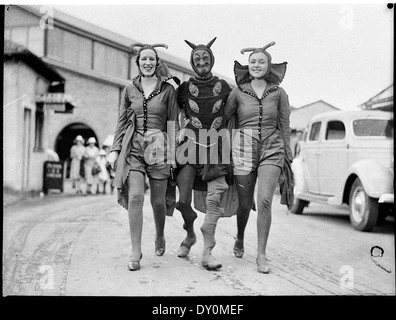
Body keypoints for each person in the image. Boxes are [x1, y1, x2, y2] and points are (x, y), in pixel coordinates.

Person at [108, 43, 180, 271]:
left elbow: (173, 123)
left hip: (159, 147)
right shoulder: (129, 89)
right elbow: (121, 121)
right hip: (135, 148)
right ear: (138, 63)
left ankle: (160, 235)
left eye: (151, 59)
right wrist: (115, 150)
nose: (147, 63)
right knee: (136, 197)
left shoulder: (168, 90)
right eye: (143, 59)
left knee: (158, 201)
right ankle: (136, 250)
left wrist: (173, 154)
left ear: (157, 63)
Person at [223, 42, 293, 274]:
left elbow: (284, 124)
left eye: (261, 61)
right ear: (248, 65)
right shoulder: (238, 91)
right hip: (243, 148)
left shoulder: (280, 93)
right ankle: (240, 237)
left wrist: (288, 153)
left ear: (269, 65)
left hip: (272, 148)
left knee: (264, 201)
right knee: (244, 203)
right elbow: (224, 119)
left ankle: (261, 255)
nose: (256, 65)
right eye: (253, 62)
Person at [175, 37, 232, 270]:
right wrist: (175, 133)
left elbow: (235, 111)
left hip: (217, 145)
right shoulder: (184, 89)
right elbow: (172, 112)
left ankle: (207, 252)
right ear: (192, 62)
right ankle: (189, 234)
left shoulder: (224, 87)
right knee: (182, 202)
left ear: (212, 60)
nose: (201, 62)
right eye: (197, 59)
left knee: (214, 200)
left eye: (205, 58)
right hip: (190, 144)